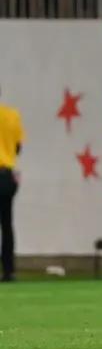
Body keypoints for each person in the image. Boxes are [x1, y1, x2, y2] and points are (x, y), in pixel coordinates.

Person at [0, 86, 23, 282]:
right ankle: (9, 271)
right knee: (7, 224)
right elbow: (17, 147)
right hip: (6, 175)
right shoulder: (12, 115)